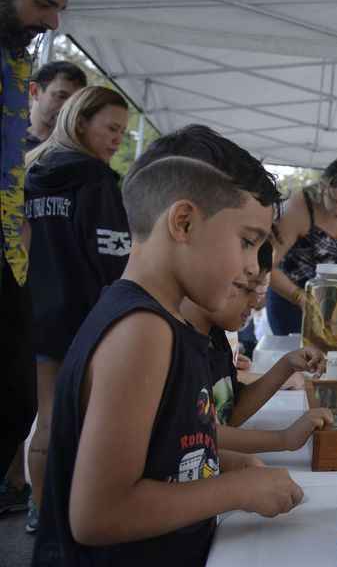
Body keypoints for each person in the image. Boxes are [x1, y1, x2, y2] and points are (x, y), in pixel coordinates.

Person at [33, 125, 303, 566]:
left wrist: (224, 462)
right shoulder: (142, 331)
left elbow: (166, 451)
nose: (252, 266)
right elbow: (98, 513)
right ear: (184, 222)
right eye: (248, 241)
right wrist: (235, 491)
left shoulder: (167, 323)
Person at [23, 85, 131, 533]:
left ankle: (40, 510)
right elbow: (113, 254)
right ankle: (75, 515)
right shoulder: (97, 180)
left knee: (46, 419)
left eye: (123, 133)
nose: (117, 140)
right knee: (86, 422)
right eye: (111, 129)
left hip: (35, 311)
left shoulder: (30, 171)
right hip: (87, 315)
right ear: (80, 121)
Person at [0, 0, 72, 518]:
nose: (50, 21)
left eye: (58, 9)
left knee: (18, 402)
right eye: (42, 3)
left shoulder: (15, 55)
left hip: (11, 260)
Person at [194, 239, 332, 453]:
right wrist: (283, 440)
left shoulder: (218, 336)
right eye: (246, 289)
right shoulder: (181, 344)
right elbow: (194, 433)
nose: (255, 303)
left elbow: (231, 414)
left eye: (260, 291)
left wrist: (286, 366)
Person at [267, 157, 337, 336]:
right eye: (335, 200)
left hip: (336, 305)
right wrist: (300, 297)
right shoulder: (299, 208)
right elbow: (266, 264)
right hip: (292, 303)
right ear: (322, 187)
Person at [27, 61, 87, 149]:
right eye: (61, 96)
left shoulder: (76, 152)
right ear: (35, 91)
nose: (69, 107)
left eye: (75, 101)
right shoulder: (6, 134)